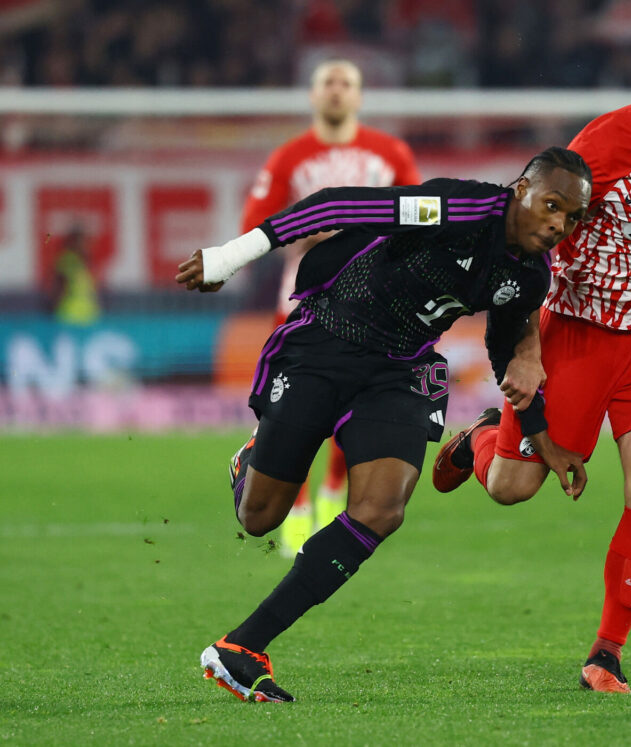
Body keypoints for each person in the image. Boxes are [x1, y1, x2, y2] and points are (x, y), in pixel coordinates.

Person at [175, 146, 592, 702]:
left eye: (572, 217)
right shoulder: (455, 209)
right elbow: (334, 206)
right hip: (326, 339)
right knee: (259, 518)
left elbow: (503, 343)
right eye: (552, 205)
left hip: (402, 368)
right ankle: (251, 458)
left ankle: (242, 647)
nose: (559, 223)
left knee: (383, 509)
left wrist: (545, 441)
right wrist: (231, 255)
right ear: (521, 188)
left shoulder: (528, 277)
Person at [433, 38, 631, 694]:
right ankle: (479, 441)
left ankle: (606, 653)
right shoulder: (597, 153)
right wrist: (526, 347)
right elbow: (528, 248)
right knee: (511, 488)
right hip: (576, 330)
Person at [240, 58, 422, 556]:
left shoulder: (390, 153)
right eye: (328, 83)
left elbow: (420, 216)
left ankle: (330, 494)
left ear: (360, 97)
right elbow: (257, 222)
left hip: (372, 304)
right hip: (301, 300)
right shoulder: (289, 158)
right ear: (314, 96)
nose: (337, 91)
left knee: (355, 407)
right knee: (293, 412)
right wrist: (310, 228)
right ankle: (295, 509)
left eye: (347, 83)